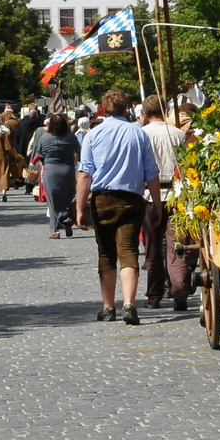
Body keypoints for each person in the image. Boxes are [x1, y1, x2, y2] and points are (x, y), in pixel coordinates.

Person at [76, 90, 160, 325]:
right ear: (127, 108)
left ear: (103, 108)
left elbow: (85, 174)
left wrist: (80, 208)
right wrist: (157, 203)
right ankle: (129, 305)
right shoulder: (138, 133)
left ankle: (108, 307)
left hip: (102, 199)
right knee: (129, 250)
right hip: (131, 199)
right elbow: (151, 172)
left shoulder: (93, 134)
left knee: (106, 253)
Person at [139, 97, 191, 311]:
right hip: (176, 195)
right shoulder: (178, 134)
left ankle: (154, 295)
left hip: (150, 196)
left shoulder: (141, 134)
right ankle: (179, 290)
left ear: (145, 113)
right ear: (165, 111)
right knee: (177, 246)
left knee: (152, 247)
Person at [37, 114, 81, 239]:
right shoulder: (70, 137)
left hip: (50, 170)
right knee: (67, 199)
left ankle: (55, 229)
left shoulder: (45, 137)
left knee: (52, 201)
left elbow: (40, 154)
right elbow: (79, 150)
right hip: (67, 170)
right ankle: (66, 219)